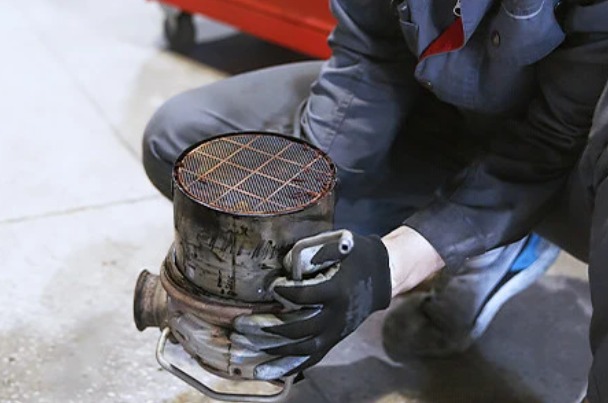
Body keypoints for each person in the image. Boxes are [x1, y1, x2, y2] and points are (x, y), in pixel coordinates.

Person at [142, 0, 608, 400]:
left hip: (566, 165)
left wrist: (393, 265)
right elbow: (369, 56)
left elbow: (549, 141)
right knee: (179, 138)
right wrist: (300, 213)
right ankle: (474, 236)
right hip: (446, 119)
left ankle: (503, 237)